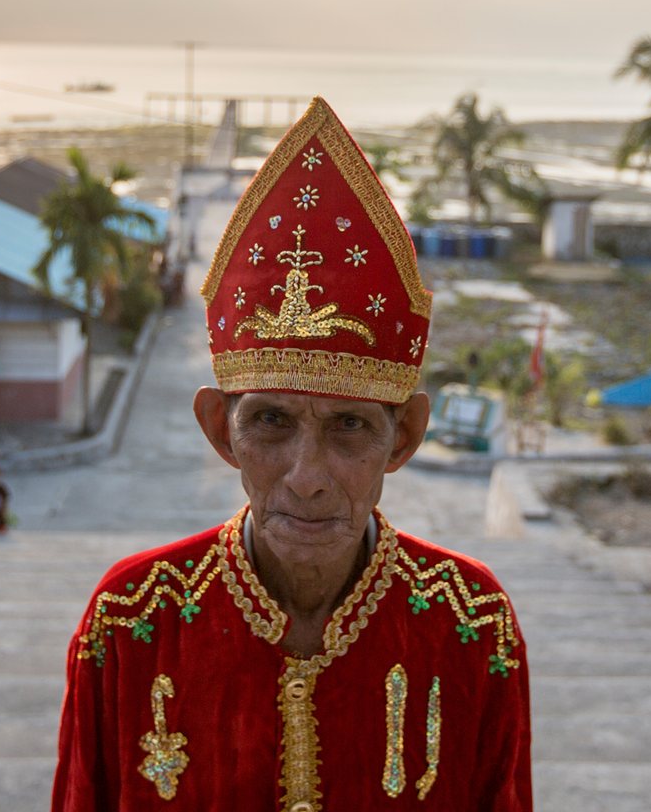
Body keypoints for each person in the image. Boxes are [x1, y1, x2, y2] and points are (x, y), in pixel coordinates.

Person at [52, 98, 531, 811]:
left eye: (349, 427)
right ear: (220, 430)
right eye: (272, 421)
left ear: (403, 438)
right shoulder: (130, 621)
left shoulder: (472, 623)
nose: (307, 479)